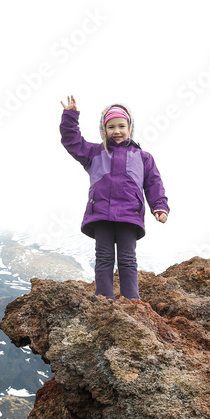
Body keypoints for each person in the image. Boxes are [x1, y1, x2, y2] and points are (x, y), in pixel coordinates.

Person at [59, 95, 169, 301]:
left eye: (121, 126)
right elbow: (71, 141)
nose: (116, 131)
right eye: (111, 127)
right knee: (104, 258)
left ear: (130, 127)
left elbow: (154, 184)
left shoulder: (144, 157)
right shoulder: (94, 152)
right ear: (103, 130)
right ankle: (104, 300)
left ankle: (132, 302)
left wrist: (160, 207)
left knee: (128, 259)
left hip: (129, 216)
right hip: (101, 215)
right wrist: (70, 117)